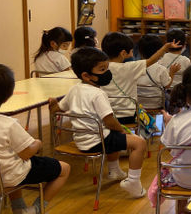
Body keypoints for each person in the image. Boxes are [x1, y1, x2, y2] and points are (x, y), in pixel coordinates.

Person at [49, 47, 149, 198]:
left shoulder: (74, 89)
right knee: (139, 143)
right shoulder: (98, 94)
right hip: (97, 140)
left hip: (82, 139)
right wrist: (121, 130)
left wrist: (53, 103)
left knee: (114, 133)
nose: (108, 73)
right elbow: (109, 121)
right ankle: (133, 182)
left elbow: (57, 110)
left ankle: (114, 170)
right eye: (102, 70)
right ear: (87, 75)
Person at [0, 63, 70, 214]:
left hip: (2, 175)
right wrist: (37, 142)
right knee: (64, 169)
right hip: (7, 177)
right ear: (8, 97)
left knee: (10, 161)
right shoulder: (7, 124)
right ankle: (35, 210)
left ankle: (18, 210)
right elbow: (26, 153)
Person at [100, 32, 181, 124]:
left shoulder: (99, 69)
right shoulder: (130, 67)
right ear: (123, 53)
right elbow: (151, 60)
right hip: (129, 115)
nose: (132, 54)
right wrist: (165, 48)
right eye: (131, 51)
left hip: (107, 115)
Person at [136, 34, 180, 109]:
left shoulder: (135, 67)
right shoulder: (161, 69)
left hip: (139, 108)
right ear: (159, 52)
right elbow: (167, 85)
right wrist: (172, 73)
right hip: (157, 107)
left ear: (140, 51)